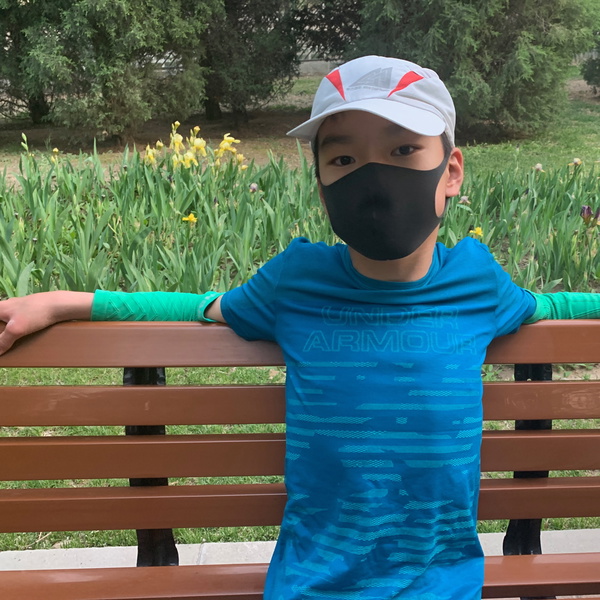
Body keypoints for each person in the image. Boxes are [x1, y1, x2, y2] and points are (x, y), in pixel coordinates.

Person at [0, 55, 598, 600]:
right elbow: (199, 305)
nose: (374, 178)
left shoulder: (477, 281)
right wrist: (62, 303)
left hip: (440, 581)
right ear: (322, 185)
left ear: (451, 170)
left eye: (402, 150)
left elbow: (549, 305)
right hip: (313, 582)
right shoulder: (297, 281)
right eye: (343, 159)